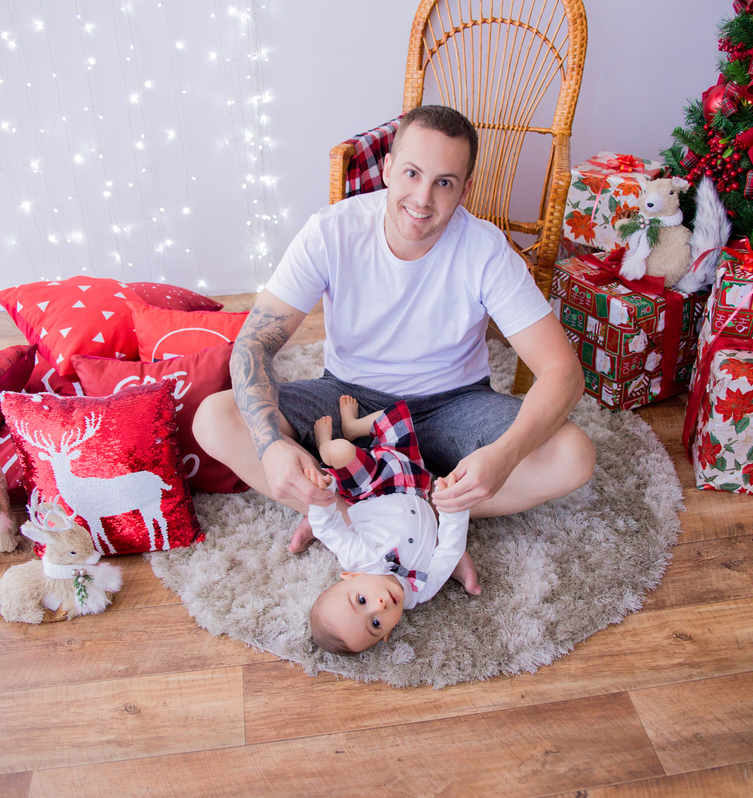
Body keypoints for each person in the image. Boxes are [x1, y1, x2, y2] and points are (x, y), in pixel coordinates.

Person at [193, 104, 595, 553]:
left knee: (573, 455)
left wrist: (504, 457)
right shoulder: (332, 231)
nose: (422, 198)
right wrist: (270, 445)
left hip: (454, 406)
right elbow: (254, 343)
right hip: (348, 397)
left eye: (444, 182)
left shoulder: (486, 250)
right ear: (387, 169)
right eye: (411, 173)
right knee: (214, 418)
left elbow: (563, 372)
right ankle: (372, 517)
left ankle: (369, 512)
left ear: (466, 189)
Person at [305, 396, 478, 655]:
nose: (380, 605)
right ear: (387, 634)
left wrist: (324, 494)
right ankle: (354, 428)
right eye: (375, 624)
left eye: (362, 600)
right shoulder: (422, 589)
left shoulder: (359, 558)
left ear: (353, 577)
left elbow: (328, 528)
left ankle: (327, 444)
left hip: (371, 486)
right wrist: (454, 508)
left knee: (341, 451)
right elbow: (449, 549)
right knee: (398, 420)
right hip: (414, 481)